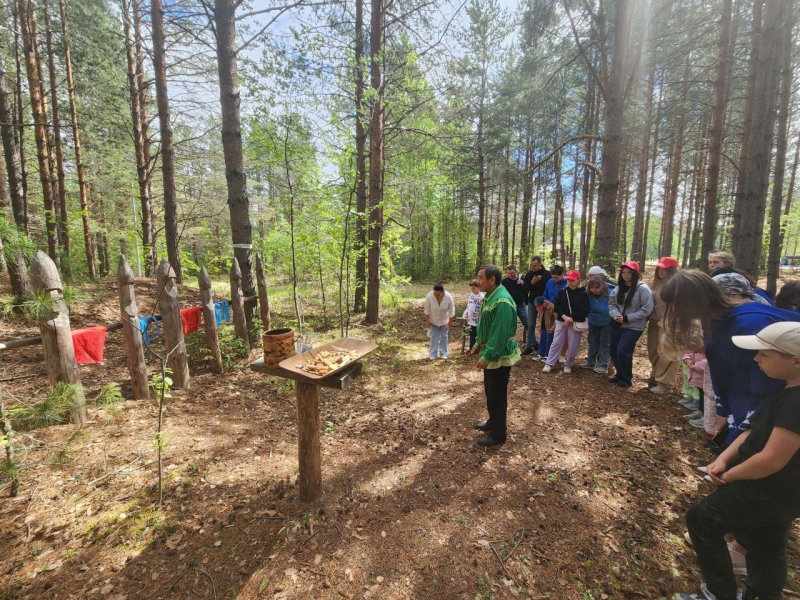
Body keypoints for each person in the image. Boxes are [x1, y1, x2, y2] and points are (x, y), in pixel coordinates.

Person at [673, 321, 800, 600]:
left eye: (764, 354)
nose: (756, 359)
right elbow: (754, 428)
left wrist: (731, 476)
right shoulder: (786, 392)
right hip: (776, 492)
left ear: (795, 360)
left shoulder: (796, 403)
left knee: (702, 519)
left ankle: (717, 593)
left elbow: (772, 460)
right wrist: (724, 458)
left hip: (768, 489)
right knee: (766, 544)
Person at [660, 270, 800, 447]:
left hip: (770, 413)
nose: (673, 310)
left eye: (675, 303)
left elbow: (769, 380)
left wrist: (748, 425)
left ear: (696, 300)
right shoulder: (711, 320)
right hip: (741, 405)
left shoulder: (751, 323)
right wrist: (724, 410)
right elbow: (722, 369)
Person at [469, 265, 521, 447]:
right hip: (490, 350)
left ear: (492, 280)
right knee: (490, 391)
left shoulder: (502, 301)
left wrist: (488, 355)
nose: (478, 281)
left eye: (481, 277)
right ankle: (493, 422)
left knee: (498, 393)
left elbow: (499, 333)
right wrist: (477, 343)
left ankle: (499, 433)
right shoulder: (491, 296)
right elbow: (485, 324)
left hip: (499, 354)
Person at [608, 261, 654, 388]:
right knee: (613, 350)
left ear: (635, 274)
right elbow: (612, 304)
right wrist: (616, 315)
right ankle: (620, 374)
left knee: (623, 350)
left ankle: (627, 378)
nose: (625, 275)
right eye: (623, 272)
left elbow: (647, 309)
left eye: (629, 272)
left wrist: (628, 318)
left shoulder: (643, 289)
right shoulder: (619, 288)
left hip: (634, 326)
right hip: (618, 324)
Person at [543, 270, 589, 374]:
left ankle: (569, 363)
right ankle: (549, 362)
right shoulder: (562, 292)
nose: (570, 282)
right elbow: (557, 306)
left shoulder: (583, 294)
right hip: (561, 320)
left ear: (578, 280)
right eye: (568, 280)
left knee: (573, 344)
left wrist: (570, 319)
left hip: (575, 322)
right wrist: (564, 317)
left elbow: (584, 310)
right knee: (557, 342)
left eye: (572, 280)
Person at [648, 257, 680, 394]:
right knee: (653, 349)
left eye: (664, 269)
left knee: (666, 351)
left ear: (671, 270)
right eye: (659, 269)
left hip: (669, 322)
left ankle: (665, 382)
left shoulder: (677, 285)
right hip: (655, 321)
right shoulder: (657, 284)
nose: (660, 272)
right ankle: (655, 375)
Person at [580, 273, 615, 374]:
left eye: (596, 287)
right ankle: (590, 362)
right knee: (592, 341)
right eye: (591, 287)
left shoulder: (610, 293)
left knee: (604, 343)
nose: (594, 290)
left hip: (607, 322)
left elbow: (614, 307)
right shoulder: (588, 294)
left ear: (602, 286)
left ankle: (604, 364)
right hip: (593, 321)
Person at [521, 256, 551, 355]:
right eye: (531, 265)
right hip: (532, 302)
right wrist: (532, 283)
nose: (532, 267)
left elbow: (549, 288)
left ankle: (544, 346)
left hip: (544, 303)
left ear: (540, 264)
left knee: (544, 325)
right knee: (530, 324)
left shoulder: (547, 274)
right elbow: (525, 289)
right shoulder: (529, 275)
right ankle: (530, 346)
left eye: (535, 265)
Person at [537, 265, 566, 361]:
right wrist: (546, 301)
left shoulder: (566, 283)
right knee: (544, 330)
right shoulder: (550, 282)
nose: (554, 279)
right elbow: (545, 293)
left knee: (552, 332)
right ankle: (541, 353)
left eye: (556, 277)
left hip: (560, 310)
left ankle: (549, 354)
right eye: (552, 277)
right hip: (548, 309)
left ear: (562, 275)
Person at [424, 284, 455, 360]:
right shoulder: (429, 296)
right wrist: (427, 321)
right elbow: (427, 310)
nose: (436, 296)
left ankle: (443, 353)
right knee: (434, 336)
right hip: (433, 320)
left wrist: (450, 321)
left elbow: (451, 310)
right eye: (434, 294)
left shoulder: (449, 297)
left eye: (438, 294)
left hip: (444, 320)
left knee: (444, 337)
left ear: (442, 292)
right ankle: (433, 354)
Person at [501, 265, 529, 335]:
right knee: (508, 325)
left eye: (512, 273)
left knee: (527, 323)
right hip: (509, 306)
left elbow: (528, 290)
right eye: (508, 273)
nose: (510, 275)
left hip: (520, 305)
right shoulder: (504, 282)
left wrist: (523, 284)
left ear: (516, 271)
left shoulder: (522, 279)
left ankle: (532, 341)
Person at [462, 280, 484, 352]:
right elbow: (469, 305)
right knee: (472, 334)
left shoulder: (482, 297)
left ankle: (479, 348)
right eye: (471, 289)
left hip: (479, 319)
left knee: (478, 334)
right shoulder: (471, 295)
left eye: (474, 288)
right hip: (471, 319)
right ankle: (471, 348)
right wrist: (465, 313)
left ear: (478, 287)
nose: (472, 290)